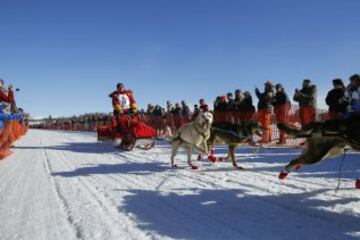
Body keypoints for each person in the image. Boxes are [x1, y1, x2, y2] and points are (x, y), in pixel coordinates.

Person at [109, 82, 139, 149]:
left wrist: (134, 108)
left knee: (136, 119)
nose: (121, 89)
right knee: (119, 123)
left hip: (129, 110)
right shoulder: (115, 95)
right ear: (117, 88)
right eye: (120, 88)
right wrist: (119, 109)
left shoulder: (128, 93)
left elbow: (132, 101)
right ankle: (121, 137)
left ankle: (138, 134)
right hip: (119, 111)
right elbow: (115, 103)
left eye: (122, 87)